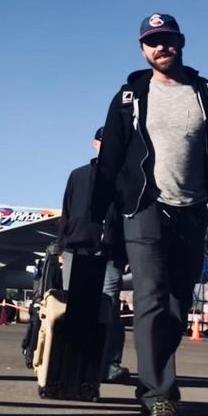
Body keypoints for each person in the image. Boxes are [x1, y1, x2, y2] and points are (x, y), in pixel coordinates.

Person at [91, 13, 208, 416]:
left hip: (192, 209)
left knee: (177, 305)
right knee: (150, 298)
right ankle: (160, 394)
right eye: (152, 41)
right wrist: (94, 220)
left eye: (167, 40)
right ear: (143, 49)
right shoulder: (128, 96)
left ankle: (153, 381)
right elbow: (109, 163)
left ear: (181, 43)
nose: (160, 47)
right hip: (144, 206)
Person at [56, 126, 131, 383]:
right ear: (95, 144)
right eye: (104, 141)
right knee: (72, 307)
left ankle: (109, 363)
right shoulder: (78, 176)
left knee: (108, 308)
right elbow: (66, 212)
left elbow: (129, 219)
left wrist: (127, 254)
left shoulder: (125, 178)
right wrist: (60, 247)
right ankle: (69, 359)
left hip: (110, 253)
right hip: (75, 249)